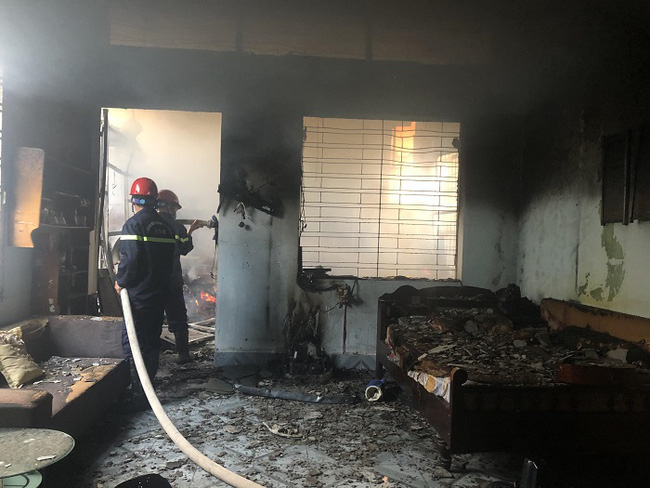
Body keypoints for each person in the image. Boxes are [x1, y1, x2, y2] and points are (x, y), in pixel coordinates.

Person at [115, 177, 176, 405]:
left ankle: (139, 394)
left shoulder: (133, 225)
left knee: (133, 343)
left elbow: (131, 260)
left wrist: (121, 281)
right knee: (151, 341)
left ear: (134, 200)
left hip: (138, 296)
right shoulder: (165, 227)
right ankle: (149, 386)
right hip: (158, 293)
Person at [155, 189, 205, 363]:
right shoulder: (177, 227)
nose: (175, 212)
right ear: (170, 207)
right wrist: (191, 231)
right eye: (175, 208)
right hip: (172, 279)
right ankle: (183, 354)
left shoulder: (148, 224)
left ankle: (151, 357)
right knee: (177, 316)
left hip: (151, 280)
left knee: (152, 317)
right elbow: (184, 248)